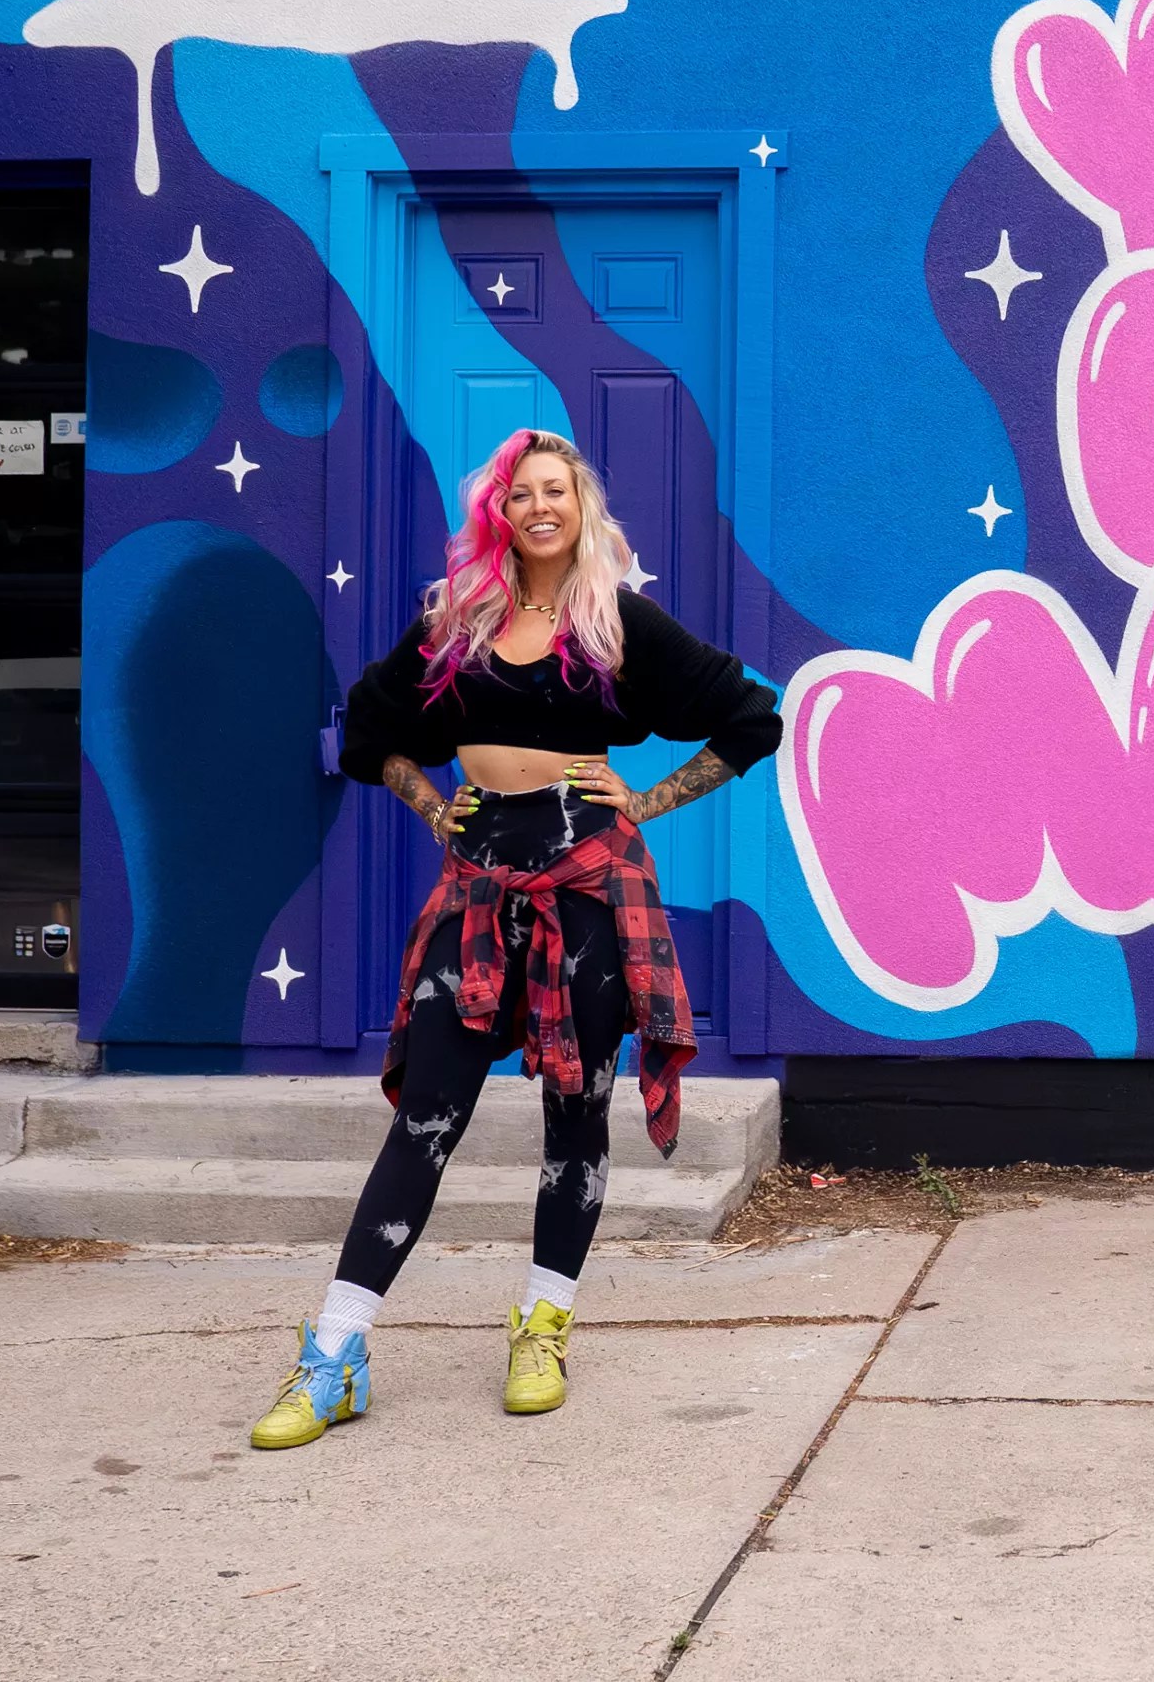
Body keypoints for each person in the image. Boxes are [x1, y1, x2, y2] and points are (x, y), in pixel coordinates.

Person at [251, 427, 780, 1449]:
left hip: (588, 882)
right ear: (498, 510)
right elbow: (370, 730)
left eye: (557, 490)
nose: (540, 506)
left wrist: (649, 798)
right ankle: (334, 1354)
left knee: (574, 1112)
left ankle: (543, 1326)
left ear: (581, 505)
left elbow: (752, 717)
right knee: (426, 1118)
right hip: (479, 881)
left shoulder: (616, 621)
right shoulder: (455, 622)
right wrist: (426, 801)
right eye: (521, 493)